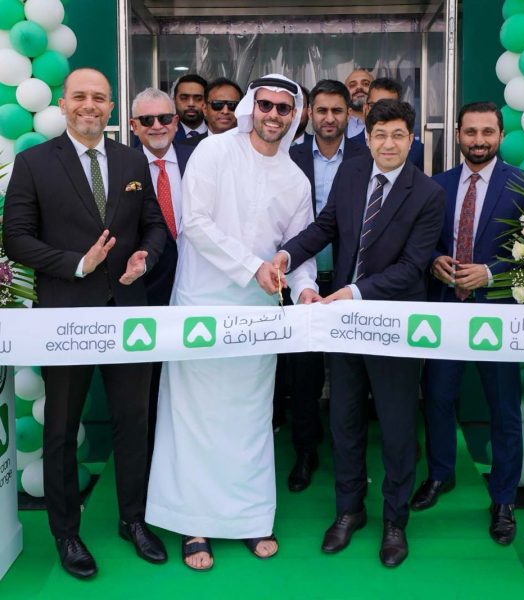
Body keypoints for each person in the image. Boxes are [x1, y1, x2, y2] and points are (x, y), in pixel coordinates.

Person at [145, 74, 318, 571]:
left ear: (293, 116)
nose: (272, 115)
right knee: (195, 418)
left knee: (250, 418)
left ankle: (249, 517)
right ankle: (194, 522)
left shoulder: (296, 180)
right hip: (201, 304)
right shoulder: (214, 152)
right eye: (265, 105)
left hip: (258, 313)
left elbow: (298, 249)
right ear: (251, 107)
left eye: (283, 108)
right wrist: (252, 266)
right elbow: (196, 224)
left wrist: (305, 288)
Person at [3, 68, 168, 579]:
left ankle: (133, 520)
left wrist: (144, 256)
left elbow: (155, 224)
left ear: (112, 107)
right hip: (66, 316)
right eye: (80, 96)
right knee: (61, 427)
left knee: (133, 422)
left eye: (99, 97)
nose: (89, 105)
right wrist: (77, 264)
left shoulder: (131, 159)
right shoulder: (33, 163)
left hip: (127, 314)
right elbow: (16, 237)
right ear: (63, 103)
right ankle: (66, 532)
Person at [274, 99, 445, 567]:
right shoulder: (351, 174)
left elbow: (412, 268)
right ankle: (349, 510)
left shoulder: (428, 194)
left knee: (396, 427)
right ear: (366, 138)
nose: (388, 143)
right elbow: (325, 227)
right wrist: (287, 256)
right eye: (379, 134)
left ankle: (395, 520)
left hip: (392, 324)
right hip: (344, 325)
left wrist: (351, 292)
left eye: (398, 135)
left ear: (411, 140)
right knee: (344, 421)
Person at [410, 102, 524, 545]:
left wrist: (492, 273)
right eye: (471, 132)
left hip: (497, 314)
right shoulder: (436, 186)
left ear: (500, 135)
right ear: (457, 134)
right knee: (438, 398)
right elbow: (420, 242)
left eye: (487, 132)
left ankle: (503, 498)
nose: (479, 140)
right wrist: (433, 260)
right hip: (446, 310)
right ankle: (441, 475)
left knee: (504, 407)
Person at [286, 79, 368, 493]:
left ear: (349, 114)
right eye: (322, 110)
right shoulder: (290, 155)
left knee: (349, 371)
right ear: (309, 114)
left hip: (350, 280)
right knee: (303, 373)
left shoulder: (367, 157)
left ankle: (348, 454)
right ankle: (305, 451)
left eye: (338, 110)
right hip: (300, 278)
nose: (329, 118)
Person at [130, 87, 193, 462]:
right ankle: (154, 462)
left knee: (195, 380)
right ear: (134, 125)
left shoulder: (199, 157)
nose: (157, 126)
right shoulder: (120, 164)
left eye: (165, 118)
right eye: (147, 120)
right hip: (146, 291)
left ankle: (190, 457)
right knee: (149, 385)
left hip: (199, 289)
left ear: (176, 121)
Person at [350, 77, 424, 170]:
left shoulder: (417, 150)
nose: (380, 111)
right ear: (365, 108)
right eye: (374, 105)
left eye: (388, 106)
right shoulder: (347, 147)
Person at [172, 73, 208, 141]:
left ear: (207, 101)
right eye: (184, 98)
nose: (191, 104)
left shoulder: (219, 133)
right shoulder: (166, 135)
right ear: (174, 101)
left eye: (198, 99)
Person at [344, 68, 373, 138]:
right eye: (352, 85)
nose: (359, 87)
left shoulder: (389, 121)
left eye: (366, 84)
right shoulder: (339, 125)